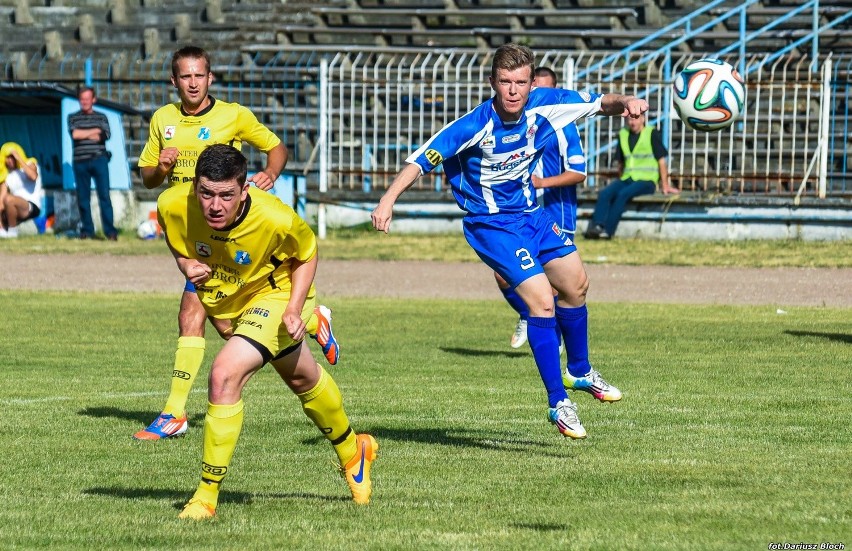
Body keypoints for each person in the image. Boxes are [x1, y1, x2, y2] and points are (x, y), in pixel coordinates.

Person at [372, 43, 637, 439]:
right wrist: (388, 200)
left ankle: (580, 371)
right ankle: (558, 402)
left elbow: (602, 103)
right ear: (492, 82)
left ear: (532, 83)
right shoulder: (474, 124)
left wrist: (628, 100)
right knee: (541, 301)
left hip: (533, 215)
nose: (513, 90)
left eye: (521, 82)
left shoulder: (547, 105)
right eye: (505, 82)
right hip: (491, 224)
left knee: (576, 285)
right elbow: (421, 158)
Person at [158, 144, 378, 519]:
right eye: (206, 193)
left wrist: (293, 308)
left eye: (226, 195)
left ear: (245, 191)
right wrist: (183, 262)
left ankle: (206, 496)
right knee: (302, 379)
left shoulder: (275, 217)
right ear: (195, 186)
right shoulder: (173, 202)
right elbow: (174, 232)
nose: (214, 205)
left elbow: (306, 253)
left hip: (276, 294)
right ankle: (352, 450)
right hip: (230, 298)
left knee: (224, 375)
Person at [135, 45, 338, 441]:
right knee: (226, 326)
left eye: (199, 75)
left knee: (192, 314)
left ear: (210, 78)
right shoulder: (163, 119)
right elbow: (147, 179)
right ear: (173, 81)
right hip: (193, 233)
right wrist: (160, 166)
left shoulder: (234, 115)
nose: (192, 83)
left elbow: (276, 148)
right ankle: (314, 318)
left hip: (232, 234)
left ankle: (174, 411)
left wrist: (269, 175)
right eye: (185, 76)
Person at [496, 66, 587, 350]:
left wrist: (542, 182)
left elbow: (579, 172)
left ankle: (558, 338)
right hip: (521, 215)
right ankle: (528, 315)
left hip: (556, 213)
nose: (538, 94)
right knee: (502, 274)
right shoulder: (516, 124)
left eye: (545, 89)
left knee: (559, 285)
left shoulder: (563, 126)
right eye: (535, 88)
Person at [583, 112, 678, 240]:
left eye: (636, 119)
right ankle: (597, 226)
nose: (632, 122)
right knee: (605, 193)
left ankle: (608, 231)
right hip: (627, 177)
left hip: (647, 180)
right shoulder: (623, 134)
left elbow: (662, 161)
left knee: (623, 194)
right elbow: (621, 162)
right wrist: (619, 180)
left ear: (643, 119)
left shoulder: (651, 133)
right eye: (629, 119)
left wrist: (665, 185)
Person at [68, 86, 117, 240]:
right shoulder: (72, 117)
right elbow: (75, 134)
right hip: (80, 162)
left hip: (99, 160)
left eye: (87, 99)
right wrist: (94, 131)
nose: (85, 102)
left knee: (104, 196)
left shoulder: (102, 117)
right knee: (83, 198)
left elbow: (104, 135)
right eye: (82, 99)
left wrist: (87, 133)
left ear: (93, 100)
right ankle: (87, 230)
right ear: (79, 100)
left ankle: (110, 231)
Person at [0, 142, 43, 239]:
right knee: (5, 200)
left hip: (31, 206)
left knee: (9, 199)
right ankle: (3, 231)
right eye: (7, 158)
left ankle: (12, 232)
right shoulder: (7, 176)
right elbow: (1, 201)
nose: (9, 160)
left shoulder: (30, 163)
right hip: (14, 208)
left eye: (11, 157)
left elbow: (33, 176)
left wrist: (19, 158)